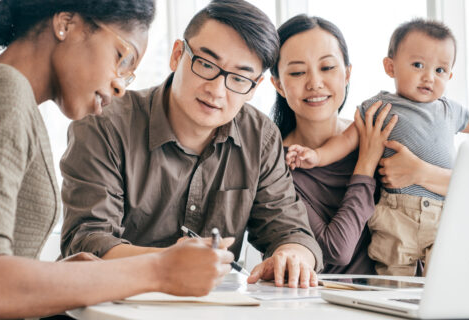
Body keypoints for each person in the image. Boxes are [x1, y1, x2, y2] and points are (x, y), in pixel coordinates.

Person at [0, 1, 235, 319]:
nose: (121, 85)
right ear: (66, 23)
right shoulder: (3, 93)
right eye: (121, 57)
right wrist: (159, 270)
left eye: (130, 73)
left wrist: (67, 279)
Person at [60, 0, 322, 289]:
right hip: (114, 305)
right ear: (177, 56)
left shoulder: (261, 136)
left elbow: (291, 231)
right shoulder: (105, 122)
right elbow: (86, 242)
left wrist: (293, 256)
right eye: (207, 65)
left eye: (238, 78)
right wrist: (168, 265)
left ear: (254, 87)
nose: (216, 90)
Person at [286, 18, 469, 275]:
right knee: (396, 271)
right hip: (393, 225)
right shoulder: (376, 112)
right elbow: (343, 144)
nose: (428, 77)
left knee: (451, 275)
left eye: (440, 71)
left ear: (348, 73)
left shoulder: (448, 110)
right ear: (390, 67)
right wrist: (317, 157)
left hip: (440, 215)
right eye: (418, 65)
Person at [270, 14, 396, 275]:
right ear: (278, 85)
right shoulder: (276, 166)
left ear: (347, 73)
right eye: (297, 72)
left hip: (407, 298)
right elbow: (336, 250)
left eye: (327, 68)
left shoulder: (374, 132)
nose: (315, 83)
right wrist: (366, 164)